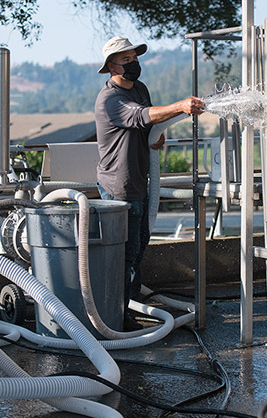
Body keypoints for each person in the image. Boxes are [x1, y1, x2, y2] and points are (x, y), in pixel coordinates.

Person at [94, 36, 204, 330]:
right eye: (126, 60)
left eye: (135, 58)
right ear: (110, 67)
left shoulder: (140, 88)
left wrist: (155, 135)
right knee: (125, 257)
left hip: (138, 181)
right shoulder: (110, 99)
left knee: (137, 250)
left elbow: (149, 121)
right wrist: (180, 106)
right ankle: (118, 319)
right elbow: (141, 116)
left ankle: (124, 311)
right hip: (119, 187)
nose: (133, 64)